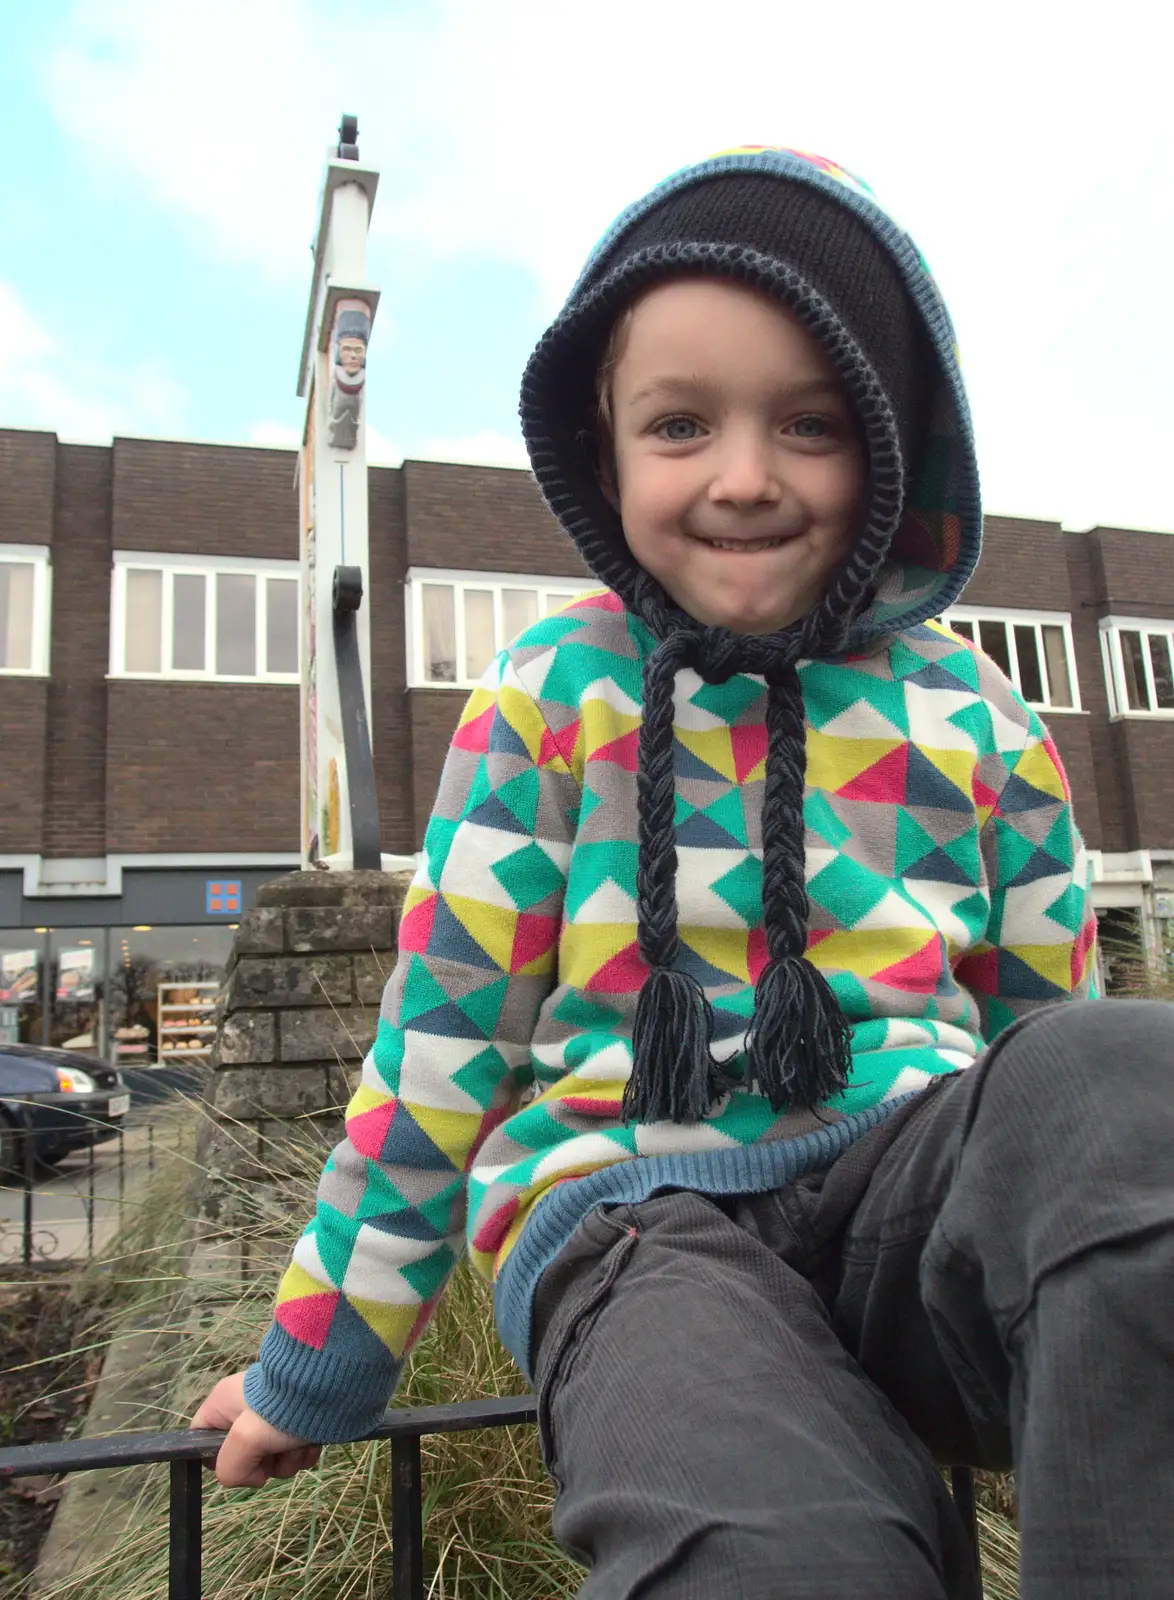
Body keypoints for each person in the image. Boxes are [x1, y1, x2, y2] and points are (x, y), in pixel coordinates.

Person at [195, 147, 1174, 1597]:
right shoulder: (548, 693)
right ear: (603, 453)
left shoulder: (980, 714)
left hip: (908, 1208)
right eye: (678, 424)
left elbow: (1037, 1046)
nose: (741, 477)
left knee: (1117, 1072)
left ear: (895, 446)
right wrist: (316, 1359)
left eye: (809, 424)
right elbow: (437, 1051)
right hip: (633, 1218)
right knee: (779, 1546)